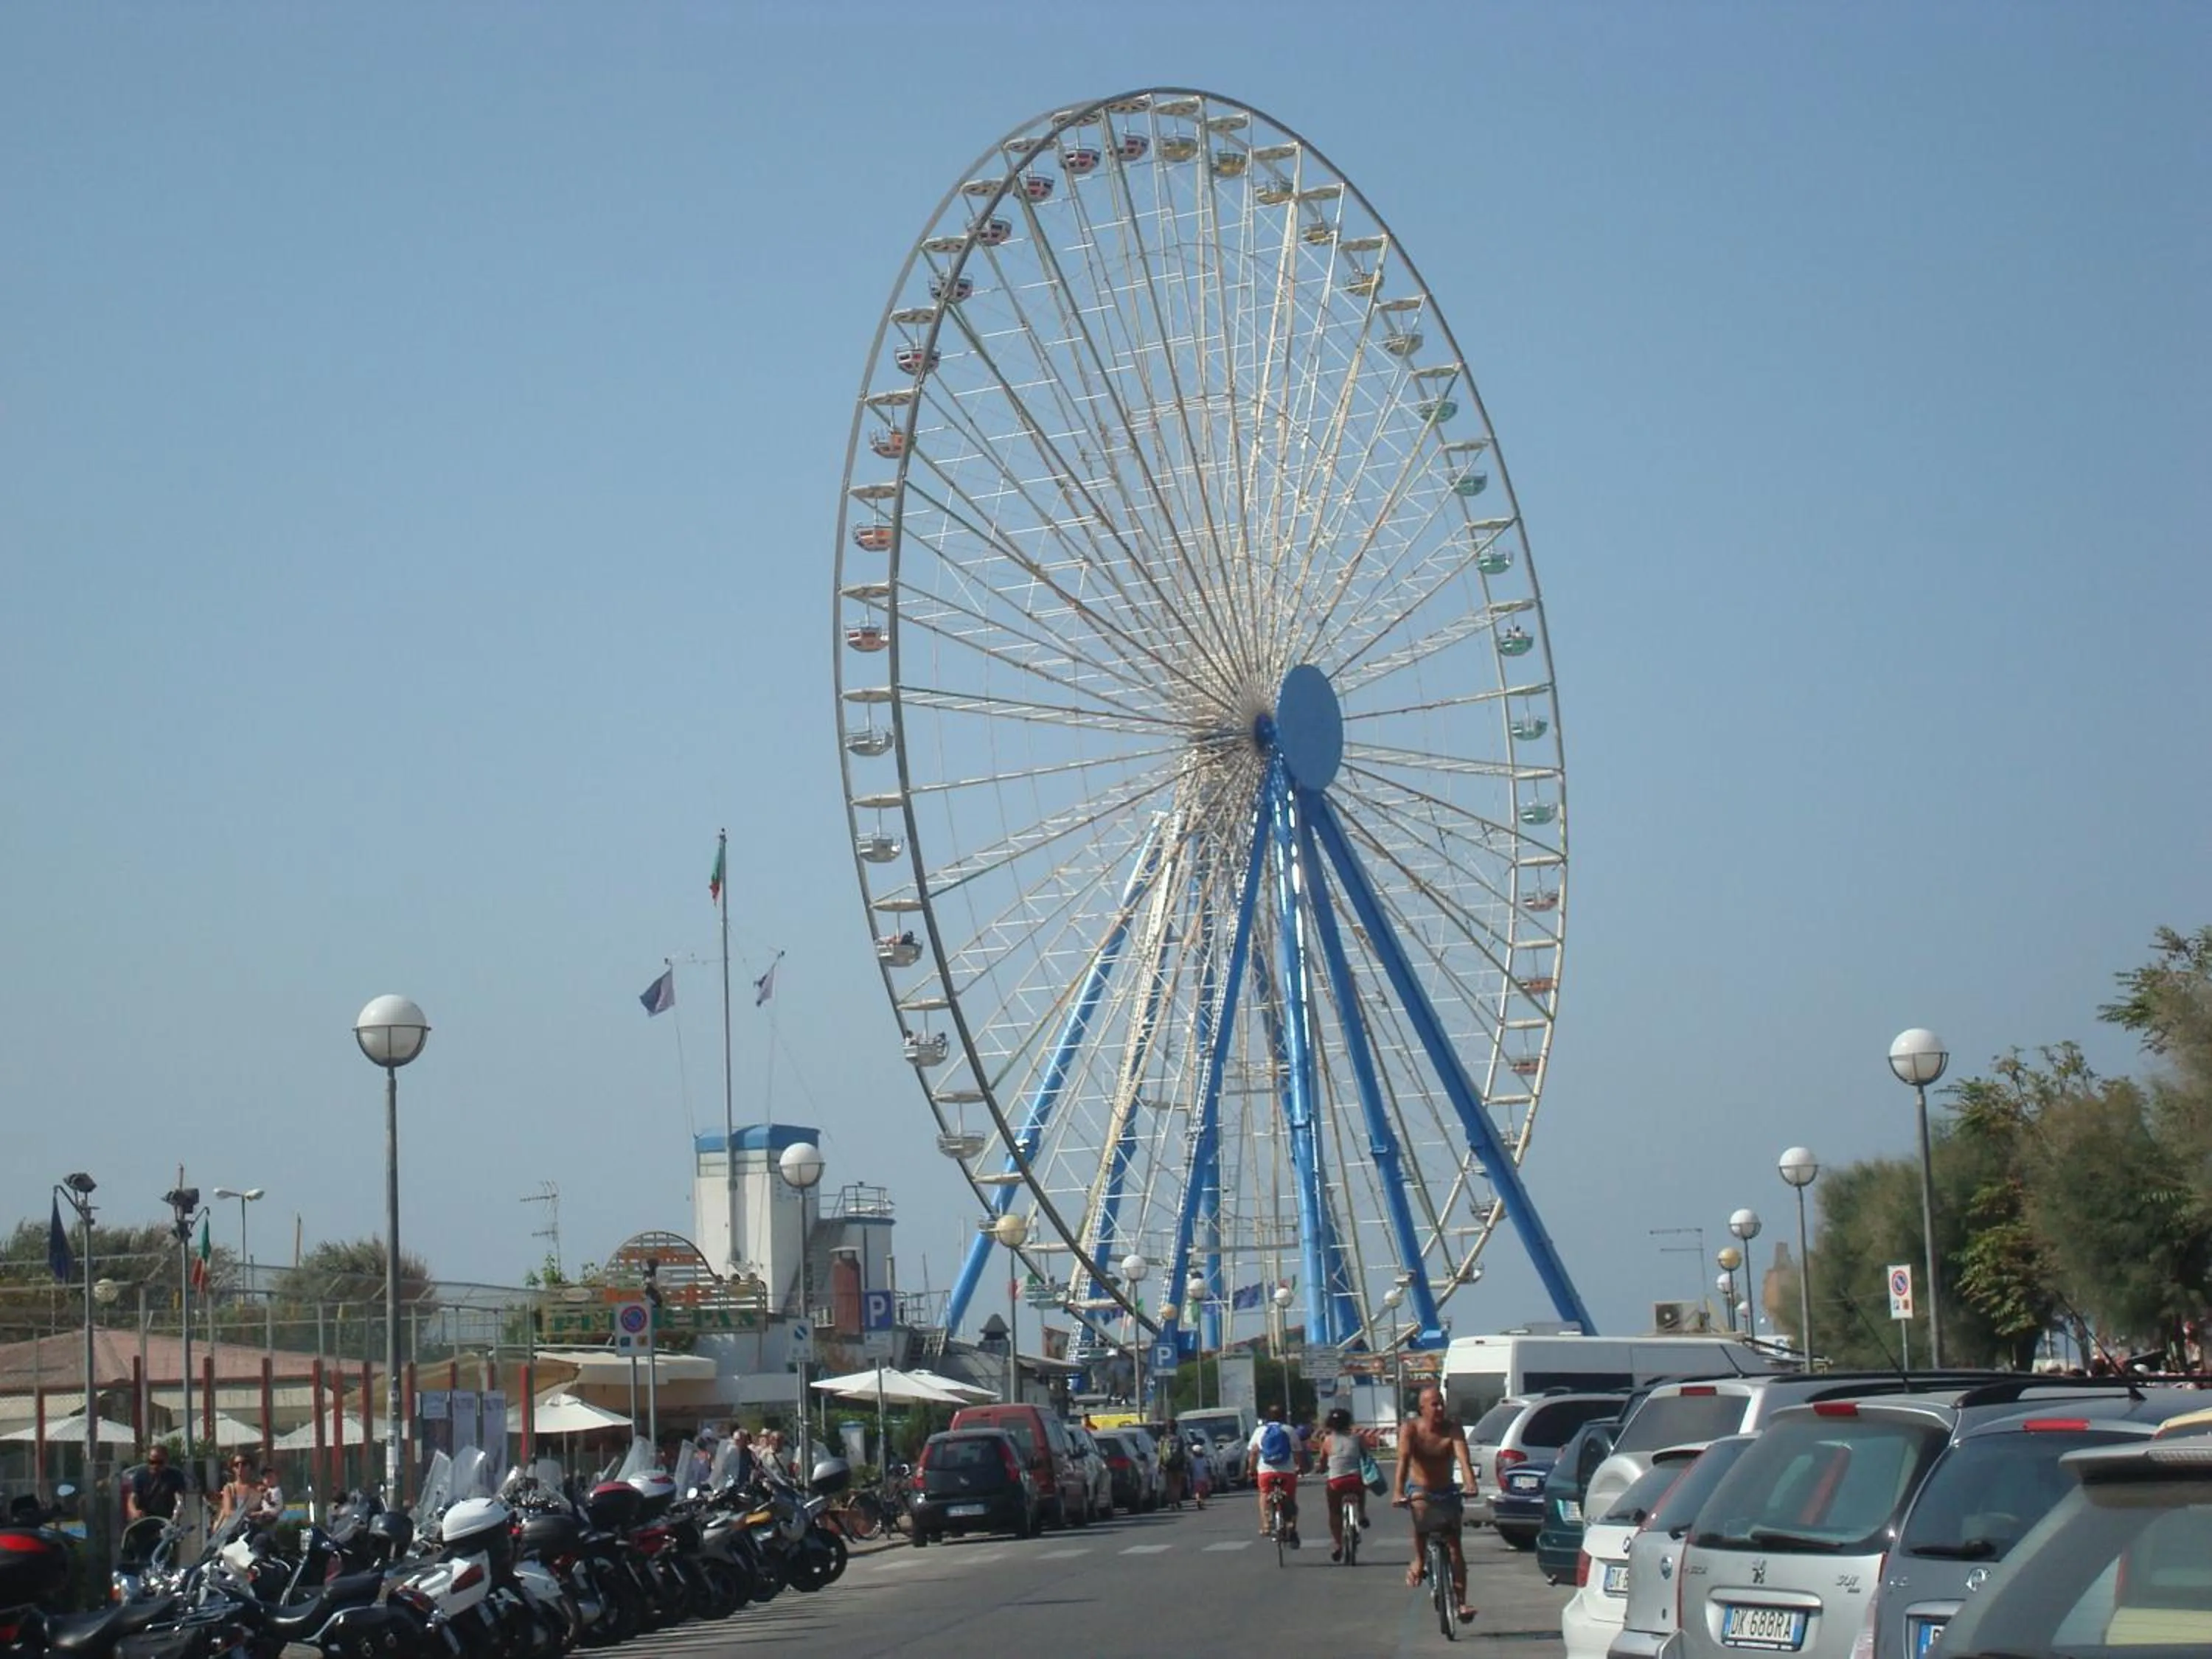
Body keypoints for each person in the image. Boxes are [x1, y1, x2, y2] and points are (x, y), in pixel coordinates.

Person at [1392, 1385, 1477, 1626]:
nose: (1440, 1408)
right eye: (1434, 1404)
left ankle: (1461, 1602)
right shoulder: (1410, 1430)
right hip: (1419, 1489)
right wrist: (1398, 1492)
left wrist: (1470, 1483)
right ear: (1422, 1409)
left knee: (1454, 1546)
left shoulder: (1452, 1429)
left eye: (1441, 1403)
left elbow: (1463, 1458)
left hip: (1447, 1489)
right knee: (1420, 1513)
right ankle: (1419, 1560)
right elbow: (1403, 1461)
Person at [1245, 1402, 1301, 1545]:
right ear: (1283, 1416)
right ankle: (1291, 1527)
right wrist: (1298, 1467)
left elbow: (1253, 1453)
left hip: (1265, 1472)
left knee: (1264, 1494)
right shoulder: (1289, 1430)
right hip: (1286, 1472)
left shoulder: (1259, 1431)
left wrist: (1251, 1470)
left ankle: (1266, 1525)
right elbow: (1297, 1452)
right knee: (1291, 1499)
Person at [1319, 1407, 1370, 1562]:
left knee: (1334, 1512)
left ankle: (1338, 1544)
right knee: (1361, 1489)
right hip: (1355, 1480)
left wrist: (1320, 1468)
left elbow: (1322, 1463)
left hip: (1336, 1483)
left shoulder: (1327, 1441)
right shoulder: (1357, 1439)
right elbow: (1366, 1456)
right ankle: (1361, 1513)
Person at [125, 1444, 187, 1524]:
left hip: (166, 1521)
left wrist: (177, 1514)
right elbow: (133, 1497)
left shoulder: (175, 1475)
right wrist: (134, 1511)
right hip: (144, 1520)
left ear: (166, 1461)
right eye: (152, 1462)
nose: (155, 1466)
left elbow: (180, 1498)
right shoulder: (141, 1474)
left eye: (160, 1463)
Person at [211, 1455, 260, 1533]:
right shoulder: (229, 1488)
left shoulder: (259, 1488)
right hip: (232, 1531)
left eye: (244, 1464)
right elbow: (228, 1512)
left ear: (251, 1466)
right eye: (236, 1465)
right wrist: (248, 1515)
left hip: (252, 1530)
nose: (240, 1468)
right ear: (233, 1469)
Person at [1159, 1418, 1189, 1509]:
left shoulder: (1163, 1439)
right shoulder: (1179, 1438)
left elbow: (1160, 1452)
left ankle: (1171, 1502)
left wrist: (1160, 1464)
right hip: (1178, 1464)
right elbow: (1182, 1452)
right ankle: (1177, 1500)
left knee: (1169, 1483)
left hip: (1167, 1464)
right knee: (1177, 1483)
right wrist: (1184, 1463)